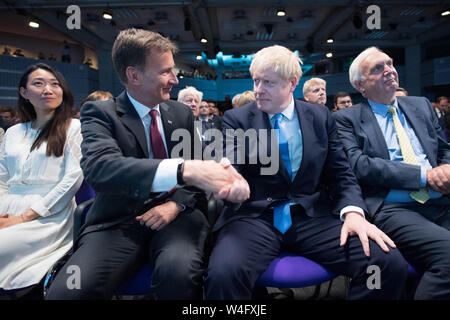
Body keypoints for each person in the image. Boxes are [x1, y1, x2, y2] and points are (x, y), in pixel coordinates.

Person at [45, 28, 249, 300]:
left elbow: (196, 180)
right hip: (119, 221)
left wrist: (176, 203)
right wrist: (183, 170)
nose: (175, 79)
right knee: (67, 293)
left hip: (178, 218)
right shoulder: (101, 113)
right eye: (166, 71)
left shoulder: (179, 113)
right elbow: (101, 169)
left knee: (178, 275)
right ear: (134, 75)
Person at [205, 45, 407, 300]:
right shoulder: (238, 119)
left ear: (292, 83)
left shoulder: (320, 116)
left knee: (385, 263)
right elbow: (230, 159)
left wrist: (354, 212)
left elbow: (341, 172)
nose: (258, 89)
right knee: (223, 276)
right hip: (256, 217)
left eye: (268, 82)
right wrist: (230, 178)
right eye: (256, 80)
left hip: (311, 216)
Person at [333, 46, 450, 299]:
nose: (389, 71)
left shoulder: (420, 105)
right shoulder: (347, 119)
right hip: (394, 207)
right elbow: (359, 164)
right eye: (377, 68)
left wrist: (446, 168)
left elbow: (443, 149)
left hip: (441, 199)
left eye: (389, 63)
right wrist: (424, 176)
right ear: (359, 84)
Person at [0, 63, 83, 293]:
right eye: (38, 83)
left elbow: (72, 180)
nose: (48, 89)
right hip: (8, 209)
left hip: (50, 214)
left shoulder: (74, 127)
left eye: (55, 84)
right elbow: (2, 179)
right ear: (24, 93)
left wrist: (25, 217)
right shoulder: (14, 132)